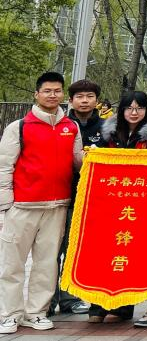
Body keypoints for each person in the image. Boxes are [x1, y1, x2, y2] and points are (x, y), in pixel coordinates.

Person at [0, 72, 84, 334]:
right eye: (47, 91)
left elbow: (79, 162)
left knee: (47, 263)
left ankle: (36, 312)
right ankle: (9, 314)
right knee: (12, 264)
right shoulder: (19, 127)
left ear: (63, 95)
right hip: (22, 206)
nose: (52, 95)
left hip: (57, 206)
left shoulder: (71, 127)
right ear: (36, 94)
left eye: (57, 91)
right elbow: (4, 167)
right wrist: (5, 206)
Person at [92, 91, 147, 327]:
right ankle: (103, 303)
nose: (134, 113)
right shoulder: (109, 133)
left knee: (142, 253)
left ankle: (138, 305)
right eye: (129, 108)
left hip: (146, 201)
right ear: (122, 110)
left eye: (139, 108)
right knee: (111, 250)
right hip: (113, 201)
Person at [50, 78, 103, 317]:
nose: (84, 101)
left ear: (96, 100)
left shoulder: (107, 128)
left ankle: (69, 298)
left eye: (89, 96)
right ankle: (47, 301)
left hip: (92, 199)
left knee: (76, 250)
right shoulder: (60, 125)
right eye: (79, 97)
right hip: (60, 196)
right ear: (70, 100)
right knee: (52, 251)